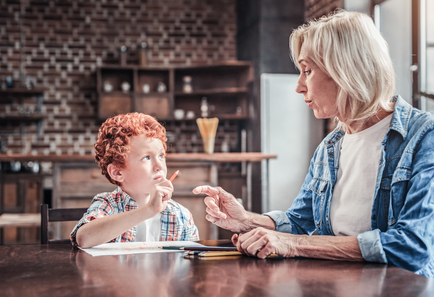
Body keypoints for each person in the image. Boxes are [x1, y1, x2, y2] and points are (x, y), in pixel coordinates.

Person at [193, 10, 434, 277]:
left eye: (307, 70)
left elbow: (413, 246)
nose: (299, 86)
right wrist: (247, 221)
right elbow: (299, 221)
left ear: (345, 70)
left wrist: (293, 244)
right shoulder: (331, 146)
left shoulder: (424, 135)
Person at [70, 112, 199, 248]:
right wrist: (149, 210)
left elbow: (193, 263)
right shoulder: (108, 204)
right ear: (117, 172)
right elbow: (84, 238)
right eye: (147, 158)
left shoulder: (181, 215)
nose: (159, 166)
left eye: (161, 156)